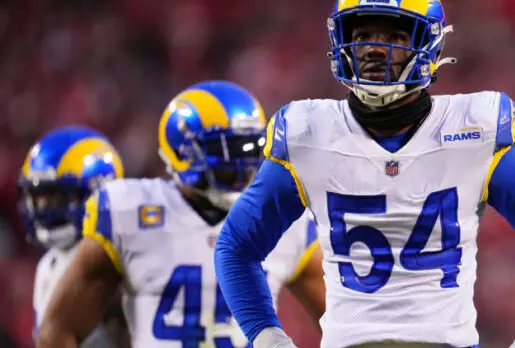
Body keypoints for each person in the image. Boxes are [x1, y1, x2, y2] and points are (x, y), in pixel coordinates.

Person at [215, 0, 515, 348]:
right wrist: (268, 337)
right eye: (363, 34)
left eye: (394, 34)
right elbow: (236, 247)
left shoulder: (473, 130)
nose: (375, 47)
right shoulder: (308, 134)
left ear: (428, 44)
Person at [36, 81, 325, 347]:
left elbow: (340, 321)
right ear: (184, 152)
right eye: (225, 155)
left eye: (247, 151)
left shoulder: (287, 222)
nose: (242, 168)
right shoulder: (128, 212)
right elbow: (60, 329)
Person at [21, 126, 129, 347]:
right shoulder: (49, 264)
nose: (42, 209)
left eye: (55, 199)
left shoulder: (119, 256)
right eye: (38, 198)